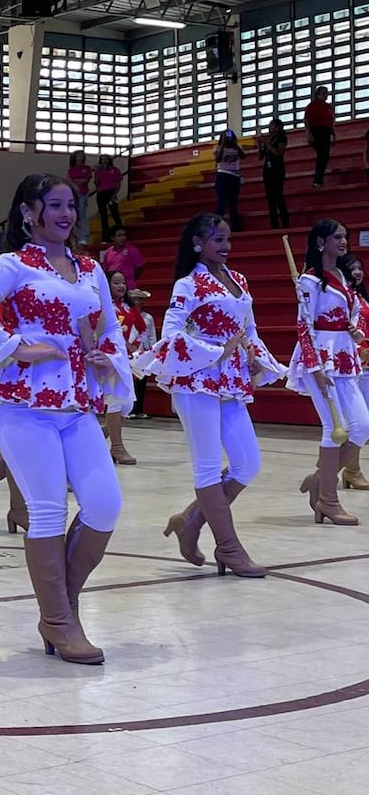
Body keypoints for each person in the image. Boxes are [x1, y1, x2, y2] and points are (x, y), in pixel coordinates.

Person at [0, 173, 132, 665]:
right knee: (46, 509)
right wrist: (16, 348)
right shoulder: (11, 265)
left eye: (72, 205)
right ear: (29, 212)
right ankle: (63, 620)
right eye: (56, 205)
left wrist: (107, 356)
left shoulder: (89, 269)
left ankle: (56, 610)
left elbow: (109, 325)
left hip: (77, 405)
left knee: (104, 504)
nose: (67, 214)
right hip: (23, 405)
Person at [136, 213, 286, 575]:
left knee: (248, 462)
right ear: (198, 243)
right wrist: (214, 351)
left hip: (232, 379)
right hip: (196, 379)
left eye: (227, 239)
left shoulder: (239, 279)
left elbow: (249, 329)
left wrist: (254, 357)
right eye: (217, 239)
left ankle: (190, 521)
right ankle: (229, 549)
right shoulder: (187, 285)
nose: (226, 246)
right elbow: (171, 333)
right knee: (206, 465)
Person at [286, 219, 367, 525]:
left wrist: (354, 329)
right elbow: (303, 325)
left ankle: (321, 479)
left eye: (345, 236)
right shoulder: (310, 280)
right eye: (337, 237)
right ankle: (328, 501)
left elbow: (355, 310)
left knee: (362, 426)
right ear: (321, 241)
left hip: (345, 354)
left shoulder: (344, 276)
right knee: (334, 425)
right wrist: (314, 365)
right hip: (320, 356)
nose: (344, 241)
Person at [338, 253, 369, 490]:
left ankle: (346, 470)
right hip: (355, 362)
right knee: (358, 423)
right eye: (352, 268)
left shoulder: (360, 297)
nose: (357, 272)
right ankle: (350, 469)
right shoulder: (339, 298)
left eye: (359, 267)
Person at [105, 269, 142, 465]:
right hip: (107, 356)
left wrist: (134, 347)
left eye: (123, 283)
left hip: (124, 357)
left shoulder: (128, 307)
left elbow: (141, 330)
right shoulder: (101, 305)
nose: (120, 286)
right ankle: (117, 447)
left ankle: (102, 439)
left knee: (127, 403)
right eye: (115, 283)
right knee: (115, 399)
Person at [127, 287, 155, 420]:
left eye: (140, 300)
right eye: (136, 299)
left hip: (143, 352)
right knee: (130, 381)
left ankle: (139, 409)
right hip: (130, 351)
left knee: (141, 382)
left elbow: (151, 336)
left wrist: (151, 351)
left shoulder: (148, 318)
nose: (138, 302)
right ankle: (129, 409)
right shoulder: (126, 314)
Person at [259, 118, 289, 229]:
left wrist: (266, 144)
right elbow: (260, 156)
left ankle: (285, 222)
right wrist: (260, 145)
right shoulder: (270, 139)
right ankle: (274, 224)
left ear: (277, 127)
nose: (269, 128)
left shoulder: (281, 138)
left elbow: (279, 152)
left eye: (271, 125)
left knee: (278, 196)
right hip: (267, 170)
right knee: (270, 198)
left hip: (277, 170)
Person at [213, 130, 245, 232]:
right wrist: (222, 145)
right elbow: (217, 159)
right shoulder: (218, 148)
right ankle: (216, 226)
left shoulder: (237, 147)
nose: (228, 138)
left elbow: (243, 156)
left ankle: (235, 225)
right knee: (221, 202)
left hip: (234, 176)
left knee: (233, 203)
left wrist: (235, 145)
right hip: (222, 175)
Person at [304, 86, 336, 187]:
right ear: (317, 95)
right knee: (322, 155)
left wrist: (333, 134)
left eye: (326, 93)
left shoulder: (328, 107)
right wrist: (309, 135)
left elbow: (330, 122)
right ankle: (317, 180)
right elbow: (306, 121)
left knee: (324, 156)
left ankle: (318, 179)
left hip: (326, 131)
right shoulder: (312, 106)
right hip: (316, 131)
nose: (325, 95)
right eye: (323, 93)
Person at [100, 225, 145, 290]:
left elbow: (140, 268)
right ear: (112, 238)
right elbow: (106, 270)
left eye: (124, 235)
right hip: (113, 289)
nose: (122, 238)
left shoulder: (132, 250)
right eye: (119, 235)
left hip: (129, 287)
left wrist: (130, 278)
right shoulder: (107, 253)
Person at [93, 155, 124, 242]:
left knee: (115, 214)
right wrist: (96, 172)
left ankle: (121, 234)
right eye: (102, 159)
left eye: (106, 159)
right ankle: (106, 237)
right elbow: (96, 183)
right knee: (103, 216)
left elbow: (118, 184)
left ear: (109, 160)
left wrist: (114, 195)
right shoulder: (99, 171)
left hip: (111, 193)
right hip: (101, 193)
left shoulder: (115, 170)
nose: (104, 161)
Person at [67, 150, 93, 243]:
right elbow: (69, 180)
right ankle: (75, 236)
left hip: (83, 193)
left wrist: (76, 182)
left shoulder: (87, 168)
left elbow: (86, 179)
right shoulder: (71, 169)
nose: (80, 156)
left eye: (82, 155)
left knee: (82, 214)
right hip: (73, 193)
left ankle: (84, 237)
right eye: (78, 155)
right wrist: (74, 185)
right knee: (74, 215)